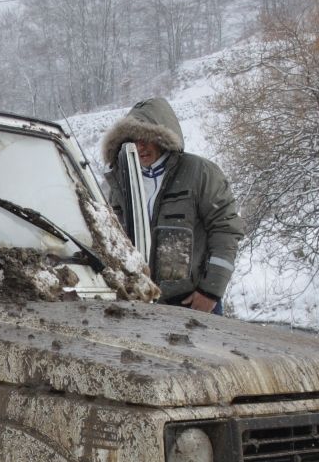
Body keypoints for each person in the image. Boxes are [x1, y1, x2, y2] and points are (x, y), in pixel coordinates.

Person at [100, 97, 242, 314]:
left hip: (192, 302)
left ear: (163, 137)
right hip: (137, 303)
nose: (140, 147)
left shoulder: (200, 173)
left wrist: (210, 293)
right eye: (133, 140)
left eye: (147, 138)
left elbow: (226, 230)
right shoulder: (119, 181)